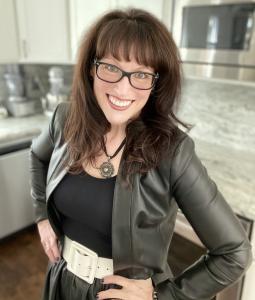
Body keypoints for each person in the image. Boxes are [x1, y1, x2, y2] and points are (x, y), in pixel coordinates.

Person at [30, 8, 252, 300]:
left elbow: (235, 252)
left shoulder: (173, 152)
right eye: (111, 67)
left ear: (155, 82)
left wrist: (162, 296)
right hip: (61, 281)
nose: (123, 87)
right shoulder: (65, 118)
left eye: (141, 74)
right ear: (90, 68)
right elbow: (36, 155)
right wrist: (41, 215)